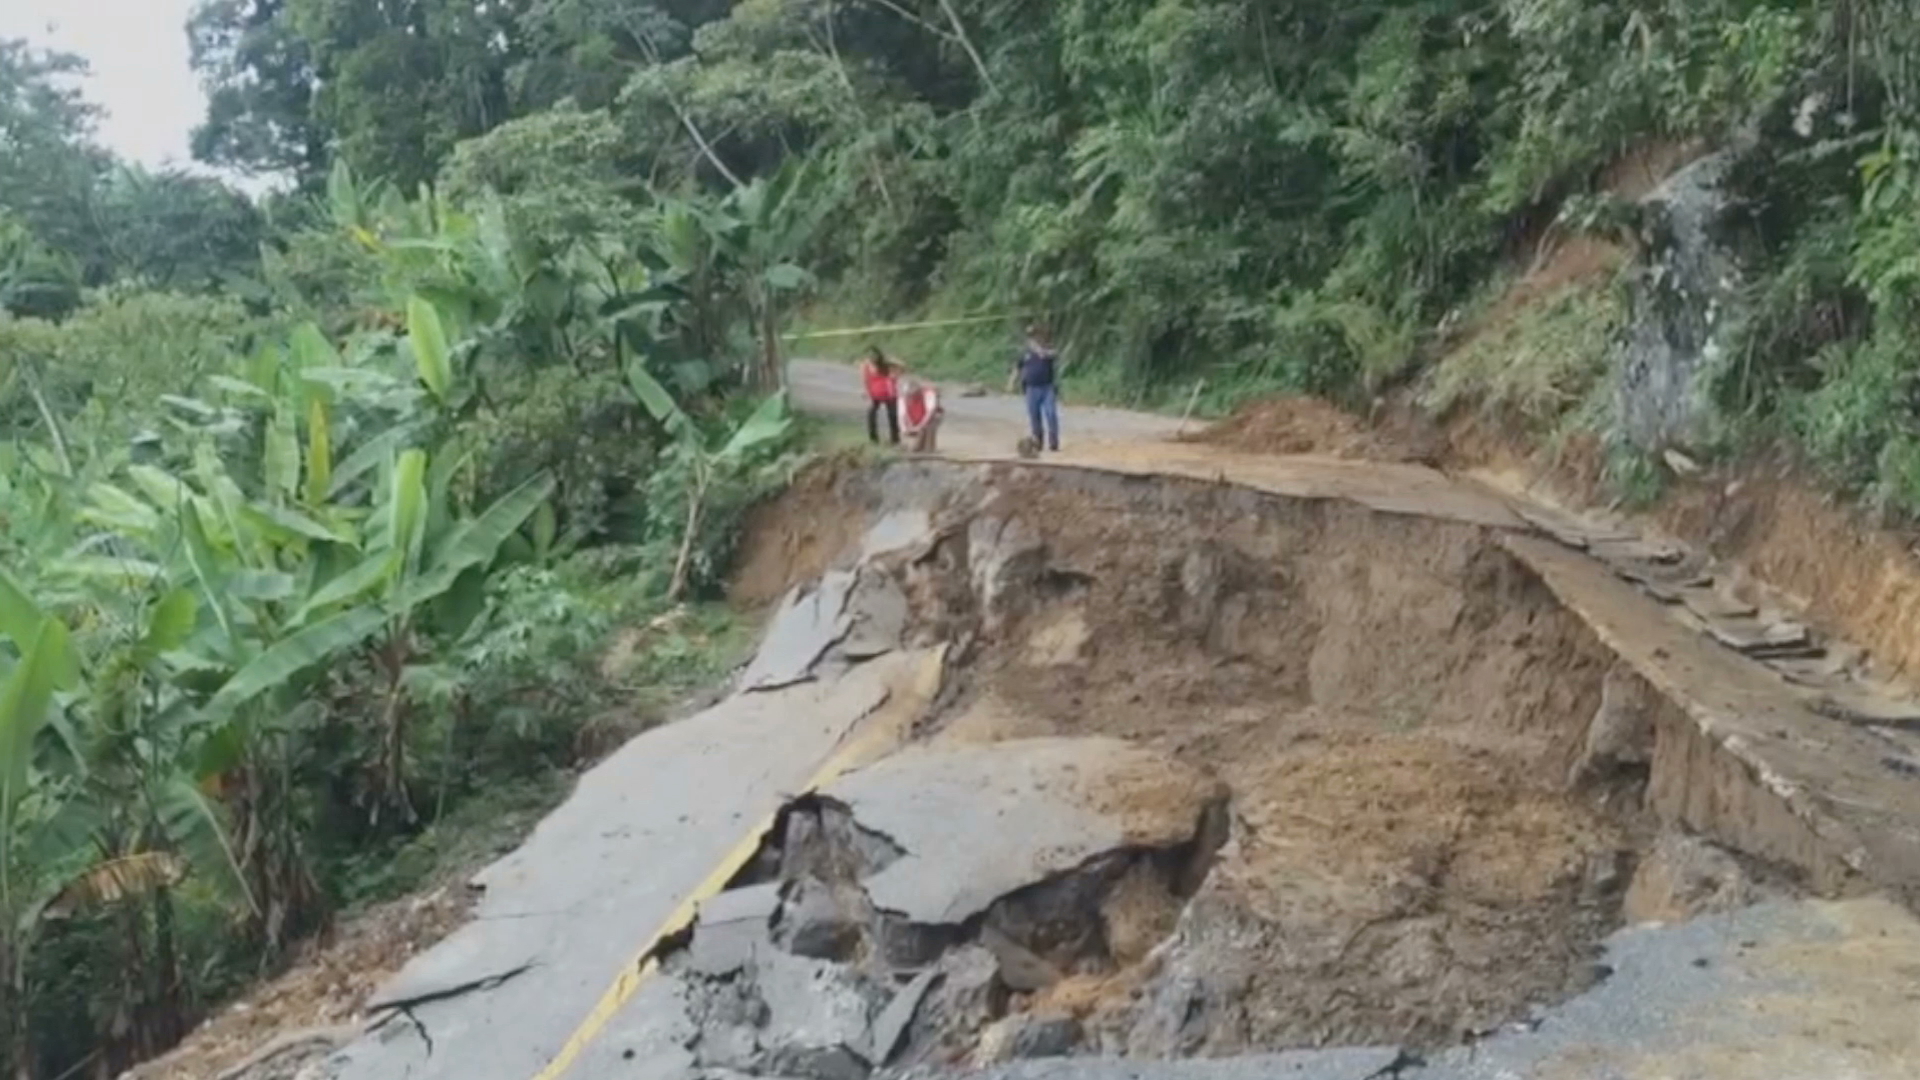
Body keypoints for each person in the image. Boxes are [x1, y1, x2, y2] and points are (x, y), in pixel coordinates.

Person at [1008, 324, 1062, 452]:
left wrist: (1040, 351)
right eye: (1031, 337)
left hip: (1047, 387)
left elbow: (1053, 355)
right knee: (1034, 416)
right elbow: (1017, 367)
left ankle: (1053, 443)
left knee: (1051, 414)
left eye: (1035, 336)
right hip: (1031, 388)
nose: (1033, 339)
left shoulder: (1047, 349)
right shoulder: (1024, 353)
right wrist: (1011, 382)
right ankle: (1038, 442)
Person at [860, 346, 901, 445]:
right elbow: (865, 379)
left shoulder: (886, 365)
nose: (872, 358)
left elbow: (901, 367)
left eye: (874, 356)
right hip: (875, 394)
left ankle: (895, 439)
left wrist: (891, 360)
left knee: (892, 416)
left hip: (889, 392)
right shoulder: (866, 366)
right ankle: (873, 438)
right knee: (871, 415)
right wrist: (865, 391)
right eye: (870, 357)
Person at [899, 377, 944, 453]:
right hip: (916, 416)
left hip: (933, 416)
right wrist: (905, 428)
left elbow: (930, 412)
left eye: (912, 395)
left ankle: (930, 448)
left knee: (929, 428)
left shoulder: (929, 394)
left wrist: (920, 426)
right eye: (909, 395)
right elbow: (902, 414)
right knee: (915, 447)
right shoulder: (903, 397)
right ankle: (919, 446)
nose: (910, 397)